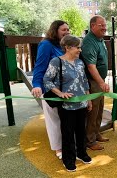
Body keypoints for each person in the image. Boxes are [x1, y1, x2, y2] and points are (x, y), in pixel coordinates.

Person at [43, 35, 92, 172]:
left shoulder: (80, 63)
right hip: (66, 106)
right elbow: (47, 80)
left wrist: (89, 99)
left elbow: (84, 82)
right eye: (77, 47)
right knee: (68, 133)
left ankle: (82, 153)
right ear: (68, 47)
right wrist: (60, 94)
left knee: (81, 130)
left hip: (81, 104)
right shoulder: (56, 62)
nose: (79, 50)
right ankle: (68, 159)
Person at [31, 20, 70, 159]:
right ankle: (58, 148)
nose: (67, 32)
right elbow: (39, 67)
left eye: (68, 29)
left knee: (66, 118)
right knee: (54, 119)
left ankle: (69, 144)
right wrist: (36, 84)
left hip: (66, 89)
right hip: (51, 89)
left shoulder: (66, 45)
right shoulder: (46, 45)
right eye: (63, 30)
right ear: (55, 30)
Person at [81, 15, 110, 151]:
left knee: (99, 109)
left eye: (105, 25)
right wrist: (101, 83)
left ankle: (96, 133)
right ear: (92, 26)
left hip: (99, 81)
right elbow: (91, 66)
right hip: (93, 82)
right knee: (92, 112)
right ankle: (90, 141)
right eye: (101, 25)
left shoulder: (100, 39)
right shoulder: (89, 42)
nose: (104, 28)